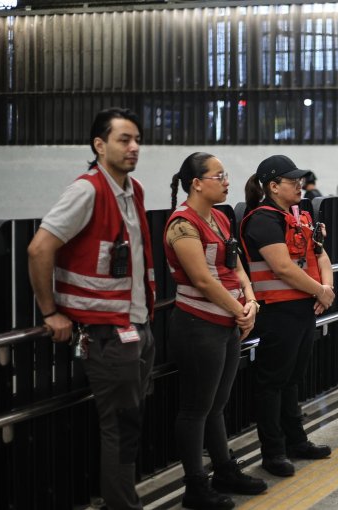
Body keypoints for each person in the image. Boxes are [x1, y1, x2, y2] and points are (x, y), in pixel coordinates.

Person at [27, 108, 156, 510]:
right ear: (99, 145)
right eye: (124, 139)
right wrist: (50, 312)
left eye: (137, 140)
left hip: (136, 324)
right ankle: (122, 505)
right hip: (106, 331)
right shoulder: (87, 191)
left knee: (130, 422)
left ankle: (123, 499)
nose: (134, 147)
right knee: (121, 425)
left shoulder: (132, 190)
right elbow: (39, 248)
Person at [165, 153, 267, 509]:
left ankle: (224, 470)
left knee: (216, 405)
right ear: (196, 183)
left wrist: (251, 302)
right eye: (219, 176)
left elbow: (237, 268)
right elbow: (203, 280)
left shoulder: (221, 218)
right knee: (196, 408)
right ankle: (195, 485)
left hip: (227, 324)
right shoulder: (182, 224)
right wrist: (240, 311)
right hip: (198, 325)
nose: (227, 182)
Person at [241, 155, 335, 478]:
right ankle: (273, 453)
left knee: (292, 380)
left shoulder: (299, 217)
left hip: (303, 309)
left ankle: (296, 442)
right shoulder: (262, 220)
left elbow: (321, 255)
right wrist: (319, 291)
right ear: (273, 186)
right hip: (278, 312)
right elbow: (281, 267)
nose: (299, 186)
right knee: (272, 383)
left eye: (300, 180)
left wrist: (327, 289)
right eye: (292, 181)